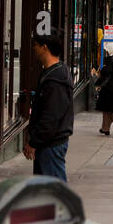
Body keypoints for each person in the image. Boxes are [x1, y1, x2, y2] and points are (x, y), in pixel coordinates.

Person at [26, 33, 74, 182]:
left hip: (51, 145)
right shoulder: (53, 73)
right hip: (48, 143)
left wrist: (34, 142)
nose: (33, 49)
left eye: (36, 45)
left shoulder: (56, 79)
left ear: (44, 48)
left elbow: (50, 117)